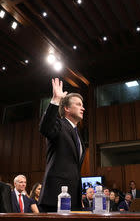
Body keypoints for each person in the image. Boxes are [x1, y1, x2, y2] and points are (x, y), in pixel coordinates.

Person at [38, 78, 86, 212]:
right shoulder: (59, 124)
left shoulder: (77, 134)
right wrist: (55, 101)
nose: (83, 108)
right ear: (66, 108)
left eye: (82, 105)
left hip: (73, 200)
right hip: (55, 197)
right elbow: (45, 128)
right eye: (78, 104)